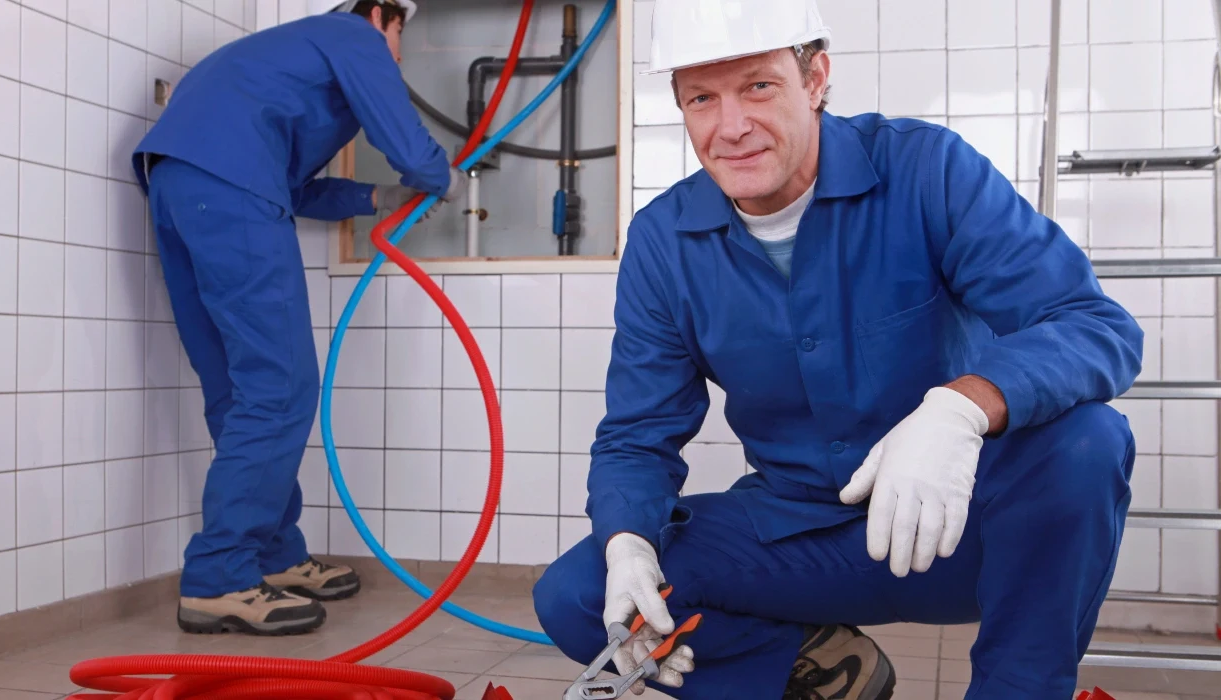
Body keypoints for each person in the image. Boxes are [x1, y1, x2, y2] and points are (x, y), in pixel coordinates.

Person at [531, 1, 1144, 697]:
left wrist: (960, 410)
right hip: (804, 543)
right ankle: (830, 674)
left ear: (816, 78)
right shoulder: (664, 241)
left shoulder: (925, 172)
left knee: (1089, 440)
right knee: (581, 592)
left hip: (961, 525)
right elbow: (638, 435)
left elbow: (1095, 325)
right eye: (702, 98)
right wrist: (628, 542)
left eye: (758, 86)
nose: (731, 127)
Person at [132, 0, 466, 636]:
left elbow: (294, 184)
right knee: (279, 389)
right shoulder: (351, 36)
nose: (398, 52)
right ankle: (221, 575)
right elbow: (408, 143)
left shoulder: (285, 57)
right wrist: (438, 176)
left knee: (239, 392)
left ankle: (270, 554)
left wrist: (377, 198)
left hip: (181, 189)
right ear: (382, 15)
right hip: (232, 193)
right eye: (401, 35)